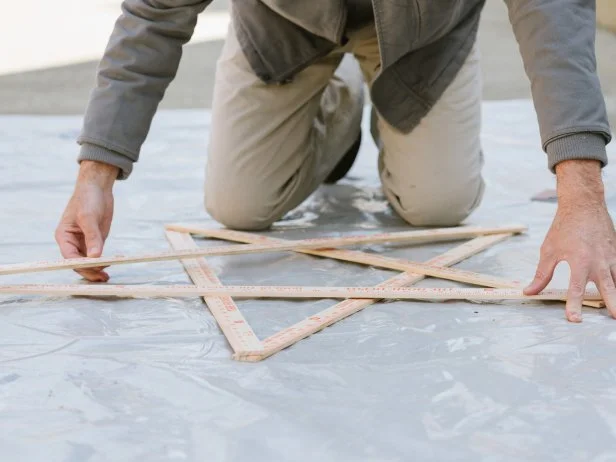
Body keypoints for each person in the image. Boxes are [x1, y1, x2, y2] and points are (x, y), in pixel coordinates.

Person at [56, 0, 614, 322]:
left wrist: (581, 193)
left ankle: (393, 99)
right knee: (238, 208)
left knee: (437, 205)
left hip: (425, 40)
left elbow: (554, 12)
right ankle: (340, 102)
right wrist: (97, 171)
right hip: (286, 33)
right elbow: (153, 16)